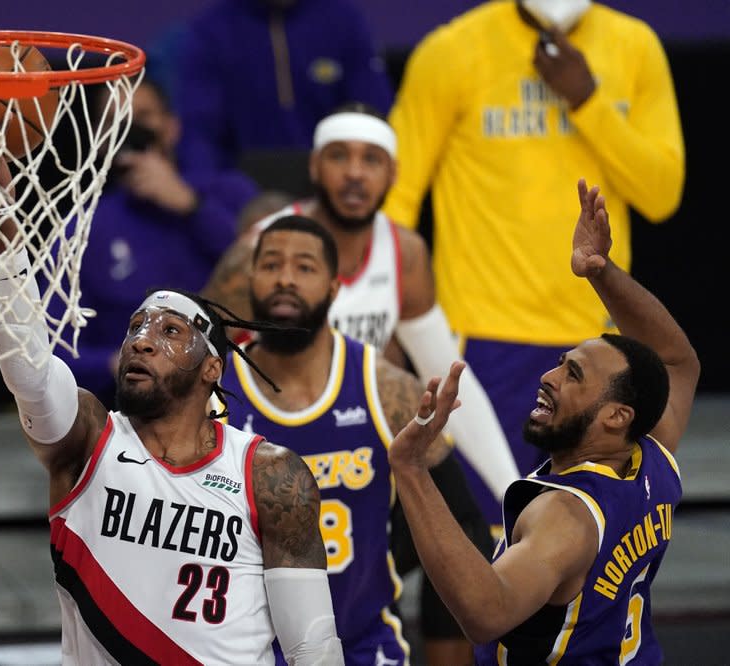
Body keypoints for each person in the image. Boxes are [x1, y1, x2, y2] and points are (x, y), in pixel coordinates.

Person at [0, 110, 345, 663]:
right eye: (136, 327)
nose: (142, 339)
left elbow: (312, 643)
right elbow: (30, 368)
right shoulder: (87, 440)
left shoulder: (270, 474)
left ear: (213, 370)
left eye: (170, 331)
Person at [202, 104, 516, 665]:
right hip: (270, 438)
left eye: (371, 161)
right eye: (340, 158)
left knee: (465, 534)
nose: (355, 173)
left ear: (392, 175)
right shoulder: (264, 248)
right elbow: (199, 354)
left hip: (364, 442)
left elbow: (447, 381)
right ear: (316, 168)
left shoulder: (405, 252)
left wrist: (514, 490)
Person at [382, 0, 686, 527]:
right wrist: (391, 324)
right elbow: (396, 205)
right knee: (491, 534)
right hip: (483, 336)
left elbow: (661, 193)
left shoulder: (634, 46)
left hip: (599, 339)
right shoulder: (452, 49)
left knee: (593, 528)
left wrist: (588, 99)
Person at [387, 179, 699, 664]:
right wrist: (601, 272)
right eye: (561, 361)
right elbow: (679, 362)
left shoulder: (564, 519)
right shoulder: (652, 456)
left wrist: (410, 468)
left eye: (572, 374)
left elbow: (486, 612)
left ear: (617, 416)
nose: (549, 376)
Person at [219, 214, 459, 664]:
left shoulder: (386, 388)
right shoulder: (215, 391)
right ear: (250, 278)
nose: (286, 278)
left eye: (305, 267)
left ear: (333, 287)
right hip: (243, 650)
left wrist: (375, 564)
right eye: (271, 264)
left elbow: (457, 523)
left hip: (364, 645)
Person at [45, 77, 261, 406]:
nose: (131, 128)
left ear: (171, 127)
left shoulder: (231, 193)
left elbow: (268, 273)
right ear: (101, 140)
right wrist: (121, 361)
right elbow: (52, 354)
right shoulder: (82, 229)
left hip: (238, 394)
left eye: (143, 116)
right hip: (134, 409)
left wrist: (192, 206)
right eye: (115, 121)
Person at [171, 0, 394, 174]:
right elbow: (198, 135)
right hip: (241, 196)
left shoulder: (345, 21)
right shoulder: (210, 31)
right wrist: (215, 200)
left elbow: (374, 118)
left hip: (333, 187)